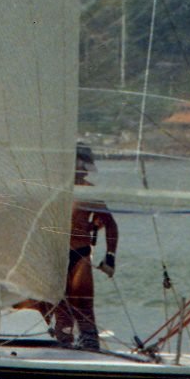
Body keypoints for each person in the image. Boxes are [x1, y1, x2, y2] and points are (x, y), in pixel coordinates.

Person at [53, 143, 118, 352]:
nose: (82, 169)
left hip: (80, 252)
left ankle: (90, 342)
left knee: (83, 301)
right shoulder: (53, 188)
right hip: (55, 252)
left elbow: (110, 223)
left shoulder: (88, 192)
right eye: (79, 164)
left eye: (84, 165)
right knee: (59, 303)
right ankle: (63, 342)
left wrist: (110, 256)